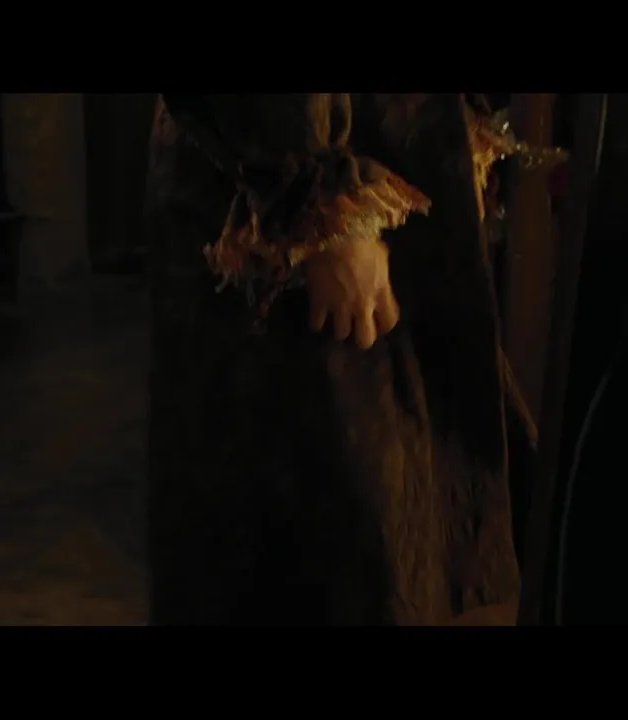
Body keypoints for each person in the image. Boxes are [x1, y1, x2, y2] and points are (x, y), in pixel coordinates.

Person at [144, 94, 539, 625]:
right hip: (292, 206)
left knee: (403, 536)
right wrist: (321, 211)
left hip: (382, 176)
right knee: (328, 545)